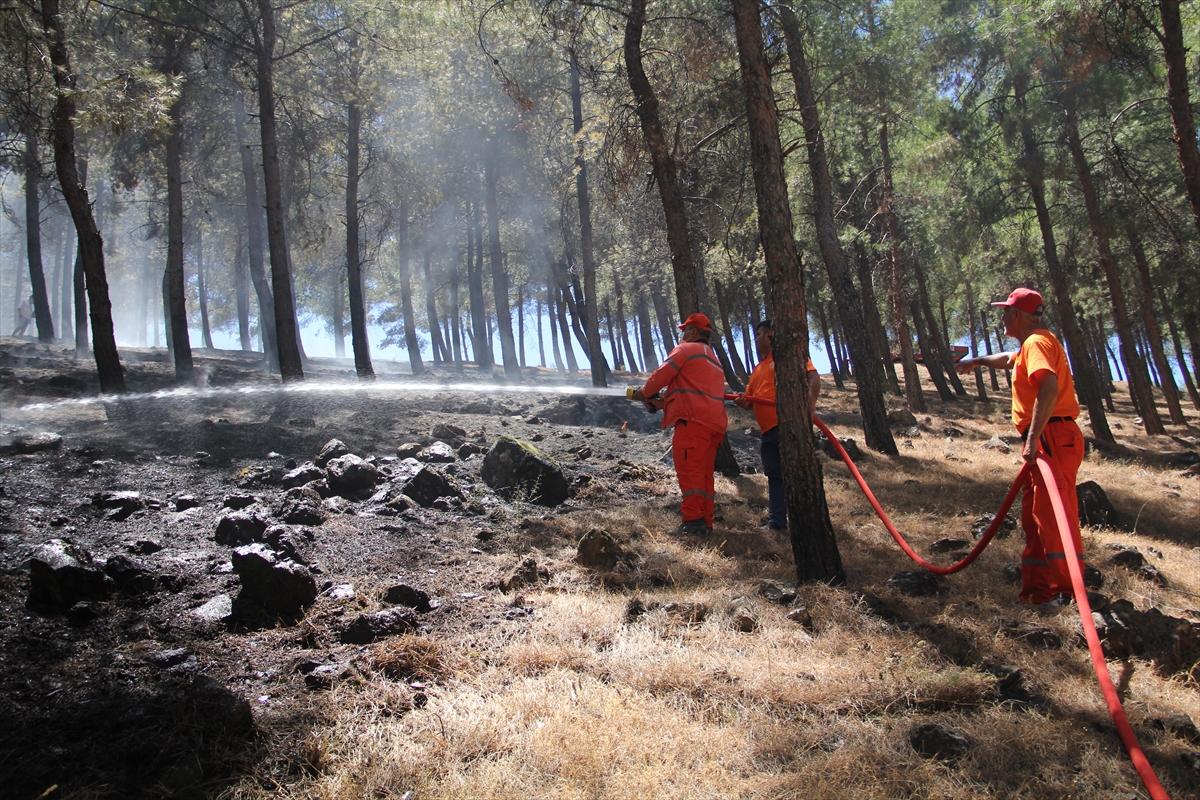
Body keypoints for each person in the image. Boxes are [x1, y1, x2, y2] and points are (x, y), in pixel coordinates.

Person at [955, 287, 1085, 611]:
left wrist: (1032, 438)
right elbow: (1008, 360)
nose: (1002, 317)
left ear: (1017, 315)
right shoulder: (1031, 345)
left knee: (1053, 515)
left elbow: (1049, 387)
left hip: (1051, 436)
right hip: (1047, 437)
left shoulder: (1036, 342)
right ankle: (1040, 594)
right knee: (1035, 517)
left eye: (1005, 311)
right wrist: (978, 361)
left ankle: (1069, 594)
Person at [632, 313, 728, 534]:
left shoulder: (686, 350)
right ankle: (705, 522)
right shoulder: (713, 359)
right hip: (713, 424)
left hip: (693, 424)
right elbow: (693, 393)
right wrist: (661, 403)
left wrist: (643, 393)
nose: (682, 335)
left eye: (684, 330)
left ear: (693, 332)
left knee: (690, 471)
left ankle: (693, 522)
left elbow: (661, 375)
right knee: (704, 475)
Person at [733, 319, 820, 532]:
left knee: (798, 474)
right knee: (774, 476)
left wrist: (809, 406)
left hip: (788, 427)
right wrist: (744, 402)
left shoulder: (787, 359)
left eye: (759, 335)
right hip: (767, 433)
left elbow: (813, 377)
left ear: (770, 335)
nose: (756, 340)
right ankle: (777, 522)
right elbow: (750, 401)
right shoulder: (758, 369)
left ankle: (809, 522)